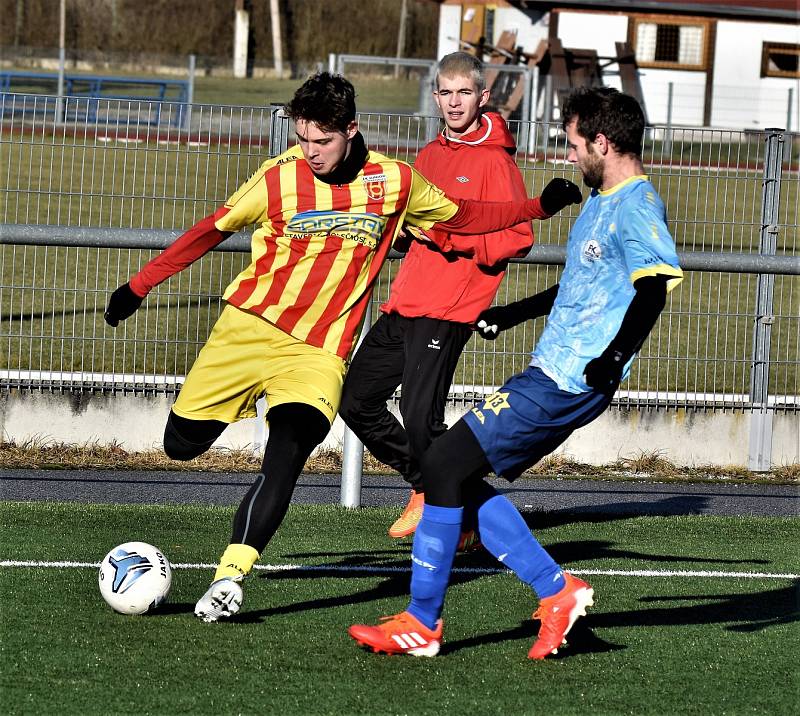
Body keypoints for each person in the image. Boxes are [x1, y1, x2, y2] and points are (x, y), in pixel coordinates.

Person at [103, 72, 578, 623]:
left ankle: (231, 578)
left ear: (351, 130)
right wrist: (138, 287)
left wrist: (536, 208)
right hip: (246, 331)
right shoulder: (279, 178)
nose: (310, 152)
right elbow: (210, 230)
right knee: (180, 445)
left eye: (321, 140)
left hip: (318, 352)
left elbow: (466, 214)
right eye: (302, 138)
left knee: (288, 453)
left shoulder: (395, 182)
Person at [348, 86, 684, 659]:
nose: (569, 156)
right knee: (449, 470)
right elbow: (579, 285)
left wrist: (612, 357)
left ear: (603, 143)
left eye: (574, 144)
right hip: (551, 371)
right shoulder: (603, 200)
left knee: (442, 463)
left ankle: (426, 621)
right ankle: (555, 592)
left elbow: (653, 287)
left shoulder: (637, 204)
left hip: (570, 380)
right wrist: (511, 314)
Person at [339, 52, 581, 545]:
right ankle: (432, 485)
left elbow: (515, 239)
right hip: (405, 301)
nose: (454, 102)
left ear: (483, 96)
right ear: (435, 97)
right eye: (446, 93)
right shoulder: (428, 155)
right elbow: (417, 225)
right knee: (356, 400)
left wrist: (447, 237)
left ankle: (460, 513)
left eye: (464, 93)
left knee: (420, 416)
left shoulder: (495, 160)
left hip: (450, 308)